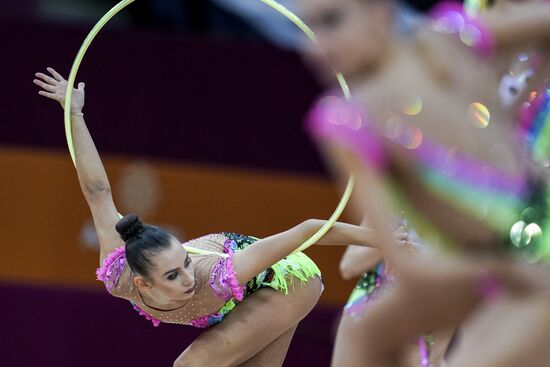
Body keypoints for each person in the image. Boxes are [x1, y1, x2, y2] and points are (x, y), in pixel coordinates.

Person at [33, 66, 394, 367]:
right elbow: (97, 191)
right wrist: (75, 113)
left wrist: (385, 240)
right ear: (142, 284)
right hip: (252, 293)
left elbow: (309, 230)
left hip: (288, 279)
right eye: (173, 275)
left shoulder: (216, 276)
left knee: (191, 366)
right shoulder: (119, 273)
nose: (188, 277)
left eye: (185, 263)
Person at [300, 0, 550, 365]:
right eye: (308, 27)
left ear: (379, 12)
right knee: (362, 329)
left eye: (332, 20)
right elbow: (401, 263)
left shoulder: (445, 42)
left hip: (531, 256)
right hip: (488, 264)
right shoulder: (345, 121)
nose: (316, 44)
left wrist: (515, 120)